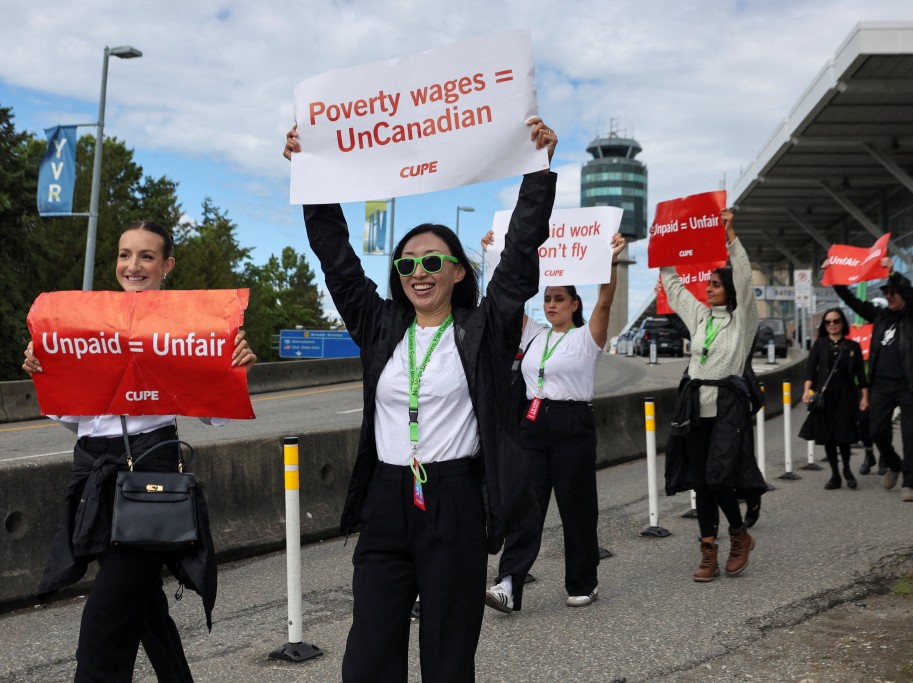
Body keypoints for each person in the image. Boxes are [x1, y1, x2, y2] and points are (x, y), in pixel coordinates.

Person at [285, 118, 557, 683]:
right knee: (367, 660)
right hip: (387, 500)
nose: (418, 272)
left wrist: (538, 172)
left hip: (454, 501)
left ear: (458, 271)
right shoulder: (379, 325)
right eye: (407, 264)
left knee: (447, 657)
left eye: (433, 262)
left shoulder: (484, 330)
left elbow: (520, 254)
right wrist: (311, 177)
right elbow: (336, 258)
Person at [23, 220, 257, 682]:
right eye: (124, 254)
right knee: (144, 608)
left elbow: (216, 414)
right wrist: (44, 370)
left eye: (147, 256)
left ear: (166, 265)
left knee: (104, 623)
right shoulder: (83, 324)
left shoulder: (192, 325)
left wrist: (235, 367)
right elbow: (76, 422)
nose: (133, 265)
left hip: (151, 485)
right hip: (94, 480)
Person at [481, 232, 627, 613]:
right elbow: (504, 301)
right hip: (532, 423)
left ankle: (583, 583)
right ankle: (509, 583)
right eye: (547, 298)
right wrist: (493, 255)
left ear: (575, 304)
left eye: (559, 298)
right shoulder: (534, 334)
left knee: (576, 508)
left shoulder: (585, 338)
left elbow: (606, 300)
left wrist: (609, 262)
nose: (550, 304)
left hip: (572, 425)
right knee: (524, 506)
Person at [659, 209, 767, 582]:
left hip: (727, 408)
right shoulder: (701, 317)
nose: (708, 288)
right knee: (701, 483)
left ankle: (739, 534)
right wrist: (663, 249)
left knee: (718, 477)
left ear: (729, 291)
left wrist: (730, 236)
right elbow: (674, 289)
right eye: (707, 284)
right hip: (694, 409)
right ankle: (708, 551)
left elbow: (745, 280)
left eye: (716, 285)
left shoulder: (742, 323)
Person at [829, 259, 913, 502]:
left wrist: (893, 273)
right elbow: (851, 300)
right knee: (876, 432)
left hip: (909, 384)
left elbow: (912, 296)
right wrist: (834, 274)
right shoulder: (881, 316)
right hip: (881, 384)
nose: (891, 296)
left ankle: (909, 484)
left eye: (894, 292)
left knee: (909, 434)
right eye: (887, 293)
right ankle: (894, 464)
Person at [799, 307, 869, 490]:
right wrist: (807, 391)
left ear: (842, 323)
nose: (832, 325)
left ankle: (846, 469)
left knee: (844, 436)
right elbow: (810, 369)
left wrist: (864, 397)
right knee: (828, 437)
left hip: (846, 397)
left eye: (836, 321)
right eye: (828, 322)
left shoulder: (852, 346)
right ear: (824, 325)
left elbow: (861, 375)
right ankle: (835, 475)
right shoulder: (819, 344)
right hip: (825, 398)